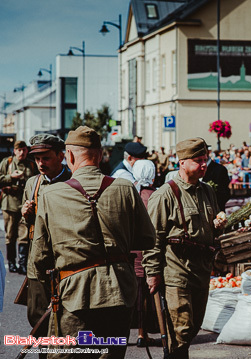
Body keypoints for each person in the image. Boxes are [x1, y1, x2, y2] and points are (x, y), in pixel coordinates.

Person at [31, 126, 156, 358]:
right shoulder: (125, 188)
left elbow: (39, 255)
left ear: (68, 156)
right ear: (100, 155)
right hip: (120, 290)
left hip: (74, 293)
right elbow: (147, 238)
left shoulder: (50, 195)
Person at [142, 137, 227, 358]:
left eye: (205, 160)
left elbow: (210, 229)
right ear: (182, 162)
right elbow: (152, 239)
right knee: (179, 330)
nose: (203, 165)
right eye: (198, 160)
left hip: (201, 271)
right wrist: (152, 273)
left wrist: (218, 226)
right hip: (176, 272)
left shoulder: (207, 191)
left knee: (193, 327)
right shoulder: (165, 195)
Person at [21, 134, 72, 357]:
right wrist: (26, 214)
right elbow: (29, 225)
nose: (41, 163)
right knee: (38, 318)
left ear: (61, 156)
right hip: (38, 264)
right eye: (37, 158)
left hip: (66, 261)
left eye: (46, 157)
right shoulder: (33, 183)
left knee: (69, 318)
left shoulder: (73, 182)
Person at [131, 159, 158, 347]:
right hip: (148, 249)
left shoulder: (128, 192)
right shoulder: (155, 196)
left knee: (131, 293)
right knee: (146, 294)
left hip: (129, 249)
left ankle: (124, 333)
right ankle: (143, 332)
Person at [0, 140, 37, 273]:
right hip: (10, 203)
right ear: (15, 151)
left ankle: (22, 263)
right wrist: (11, 177)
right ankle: (11, 262)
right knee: (10, 235)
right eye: (19, 150)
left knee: (24, 235)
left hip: (25, 204)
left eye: (24, 150)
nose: (22, 152)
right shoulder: (7, 163)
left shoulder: (32, 164)